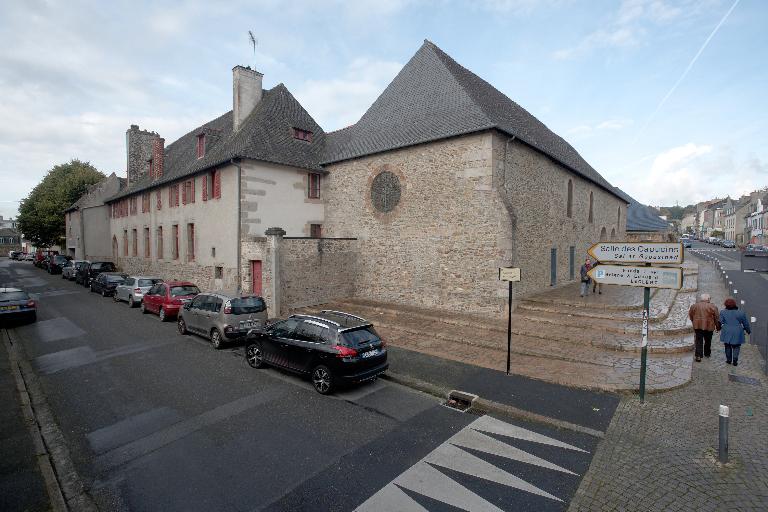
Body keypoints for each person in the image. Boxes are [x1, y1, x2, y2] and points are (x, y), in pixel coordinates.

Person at [719, 297, 751, 366]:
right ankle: (735, 359)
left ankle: (728, 360)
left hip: (727, 330)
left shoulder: (723, 312)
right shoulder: (741, 312)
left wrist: (719, 327)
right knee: (736, 346)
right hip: (737, 330)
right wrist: (748, 330)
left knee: (727, 345)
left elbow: (720, 321)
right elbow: (745, 323)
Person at [688, 293, 719, 362]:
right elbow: (716, 317)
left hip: (698, 325)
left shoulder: (694, 306)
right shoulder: (713, 306)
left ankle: (698, 355)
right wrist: (717, 326)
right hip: (709, 326)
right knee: (708, 340)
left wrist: (694, 321)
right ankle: (707, 353)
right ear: (708, 299)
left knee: (699, 340)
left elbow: (690, 314)